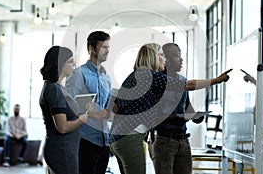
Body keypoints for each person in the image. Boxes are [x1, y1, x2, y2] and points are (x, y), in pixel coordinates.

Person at [109, 43, 232, 174]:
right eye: (161, 55)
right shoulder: (149, 76)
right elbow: (189, 85)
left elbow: (116, 108)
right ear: (153, 57)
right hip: (131, 136)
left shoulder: (137, 75)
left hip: (118, 137)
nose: (165, 59)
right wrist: (216, 80)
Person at [148, 43, 206, 174]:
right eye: (176, 56)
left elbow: (187, 107)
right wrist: (176, 118)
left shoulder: (183, 81)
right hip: (163, 140)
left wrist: (195, 116)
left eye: (180, 56)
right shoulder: (156, 81)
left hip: (184, 141)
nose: (181, 60)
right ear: (165, 58)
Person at [65, 31, 111, 174]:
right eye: (104, 47)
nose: (107, 51)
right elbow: (67, 103)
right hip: (85, 140)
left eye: (108, 47)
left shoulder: (106, 77)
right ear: (91, 48)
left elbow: (106, 107)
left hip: (104, 140)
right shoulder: (78, 74)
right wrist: (93, 114)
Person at [39, 46, 90, 174]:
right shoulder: (55, 90)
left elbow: (65, 113)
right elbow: (62, 127)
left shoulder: (57, 87)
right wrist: (81, 120)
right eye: (70, 61)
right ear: (60, 64)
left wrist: (81, 110)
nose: (74, 64)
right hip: (61, 150)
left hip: (64, 150)